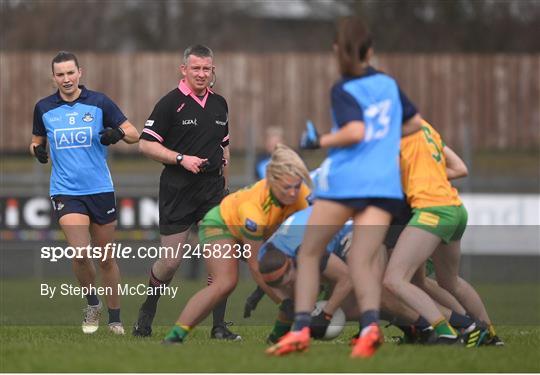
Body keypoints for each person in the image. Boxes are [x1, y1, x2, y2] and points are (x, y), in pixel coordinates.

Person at [266, 16, 423, 358]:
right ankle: (369, 329)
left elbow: (354, 131)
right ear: (371, 50)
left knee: (308, 253)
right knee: (363, 262)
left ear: (338, 50)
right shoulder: (389, 84)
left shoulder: (343, 87)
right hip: (384, 186)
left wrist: (317, 139)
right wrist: (385, 138)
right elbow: (414, 123)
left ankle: (301, 329)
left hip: (349, 181)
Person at [30, 51, 140, 334]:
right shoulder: (43, 108)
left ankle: (115, 319)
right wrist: (38, 152)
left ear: (81, 72)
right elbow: (36, 141)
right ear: (53, 77)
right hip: (66, 191)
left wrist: (116, 134)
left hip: (100, 189)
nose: (66, 79)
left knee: (105, 258)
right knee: (80, 254)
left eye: (70, 73)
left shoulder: (100, 103)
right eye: (60, 74)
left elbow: (133, 133)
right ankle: (93, 304)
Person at [133, 44, 237, 340]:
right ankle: (148, 310)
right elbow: (146, 144)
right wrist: (181, 158)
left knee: (220, 258)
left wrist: (226, 189)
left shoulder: (220, 104)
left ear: (212, 71)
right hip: (178, 190)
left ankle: (219, 326)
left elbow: (224, 147)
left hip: (213, 191)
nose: (202, 74)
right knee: (170, 262)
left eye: (207, 69)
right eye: (196, 68)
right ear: (184, 70)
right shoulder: (170, 103)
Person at [162, 144, 312, 344]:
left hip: (264, 230)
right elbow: (256, 266)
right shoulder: (254, 212)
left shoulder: (301, 194)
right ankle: (174, 337)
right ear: (272, 182)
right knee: (225, 282)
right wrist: (285, 302)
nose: (293, 193)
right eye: (287, 188)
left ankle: (277, 337)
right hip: (220, 225)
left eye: (296, 186)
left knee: (293, 271)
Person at [383, 120, 504, 346]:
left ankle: (447, 332)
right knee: (449, 281)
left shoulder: (392, 131)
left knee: (394, 280)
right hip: (455, 209)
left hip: (432, 211)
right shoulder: (425, 128)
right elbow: (460, 168)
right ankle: (490, 334)